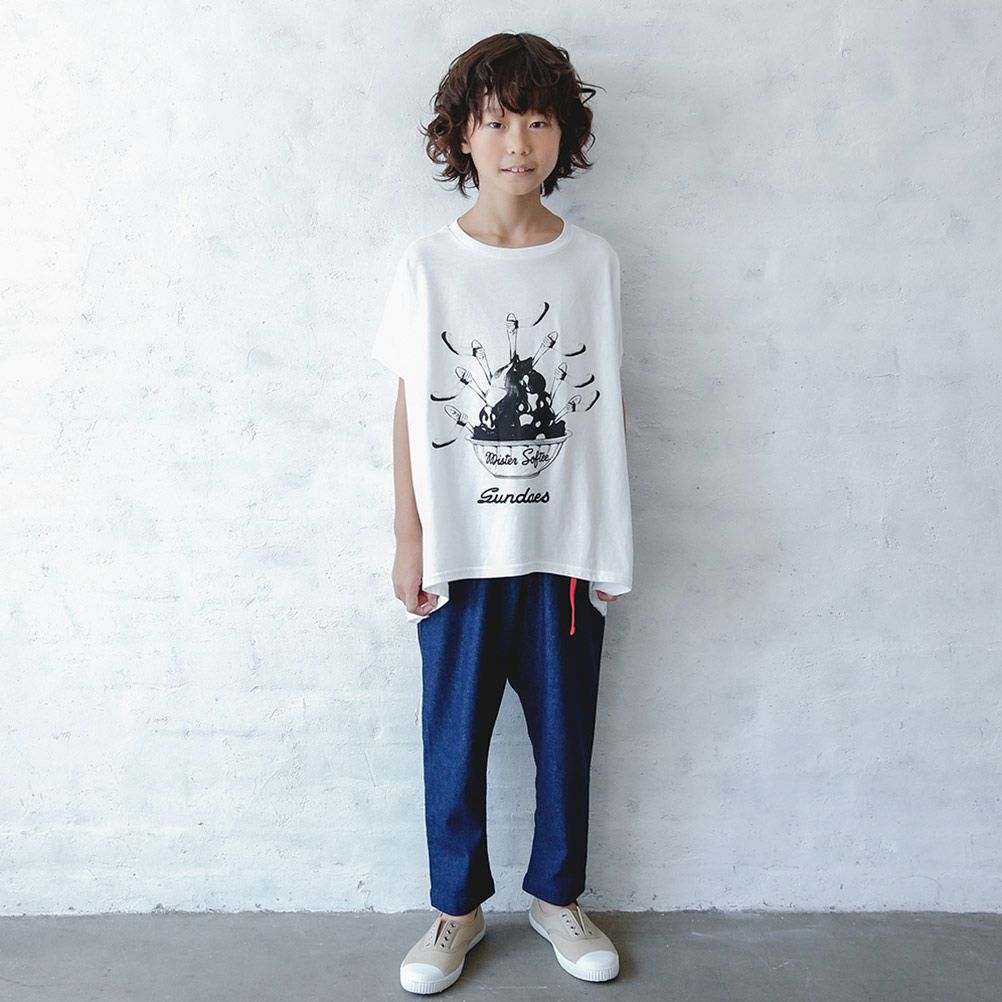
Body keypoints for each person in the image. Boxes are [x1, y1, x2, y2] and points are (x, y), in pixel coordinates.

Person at [370, 30, 634, 995]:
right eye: (495, 121)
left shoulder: (592, 263)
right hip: (462, 552)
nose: (518, 141)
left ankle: (558, 896)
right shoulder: (428, 265)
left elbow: (605, 412)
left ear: (564, 134)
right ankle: (457, 907)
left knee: (566, 738)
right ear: (461, 136)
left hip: (562, 552)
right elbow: (410, 405)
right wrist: (409, 537)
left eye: (537, 120)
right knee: (452, 739)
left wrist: (611, 544)